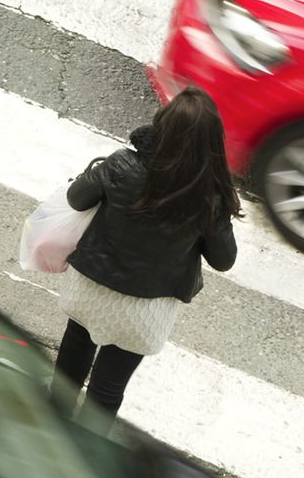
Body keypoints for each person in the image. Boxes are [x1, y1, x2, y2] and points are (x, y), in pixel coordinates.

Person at [52, 87, 242, 434]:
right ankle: (81, 457)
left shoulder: (122, 165)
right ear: (213, 143)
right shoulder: (208, 198)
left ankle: (48, 428)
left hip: (91, 286)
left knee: (70, 363)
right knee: (107, 391)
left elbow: (76, 199)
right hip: (145, 310)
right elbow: (224, 260)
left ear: (161, 126)